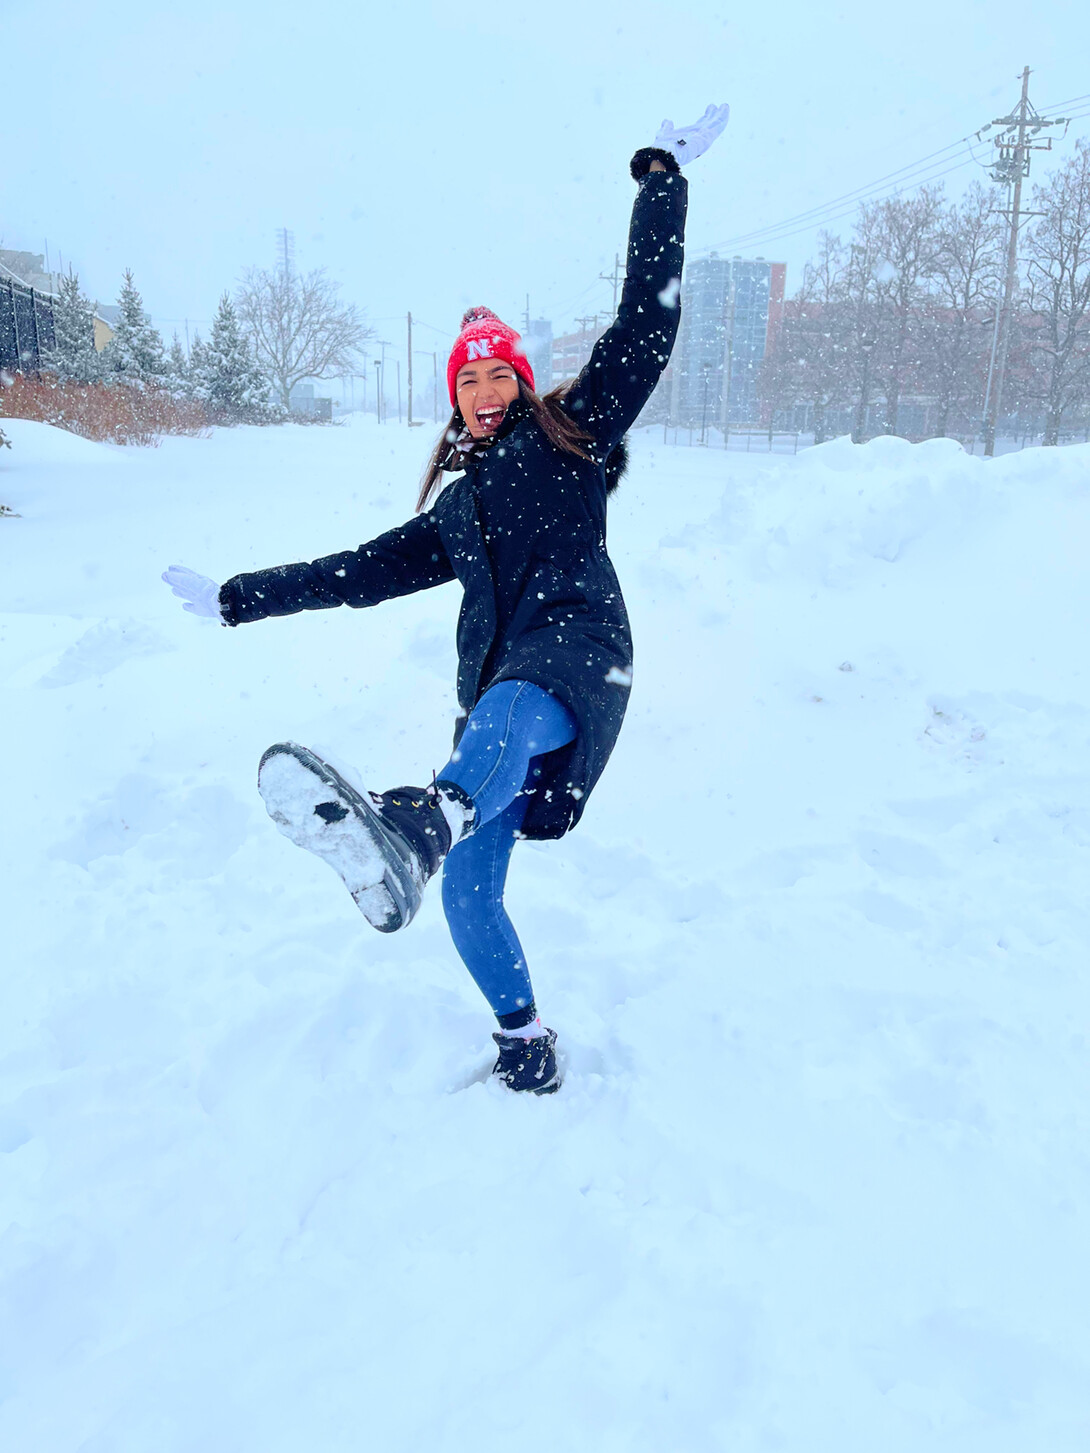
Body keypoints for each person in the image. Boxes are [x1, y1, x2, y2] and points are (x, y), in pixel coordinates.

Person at [164, 105, 730, 1095]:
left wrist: (661, 179)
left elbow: (647, 321)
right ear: (453, 395)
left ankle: (423, 819)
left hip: (579, 658)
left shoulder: (571, 435)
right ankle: (521, 1032)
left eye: (497, 370)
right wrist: (238, 599)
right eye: (466, 377)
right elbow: (350, 574)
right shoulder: (456, 511)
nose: (481, 387)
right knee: (471, 895)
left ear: (520, 378)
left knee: (507, 711)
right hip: (499, 710)